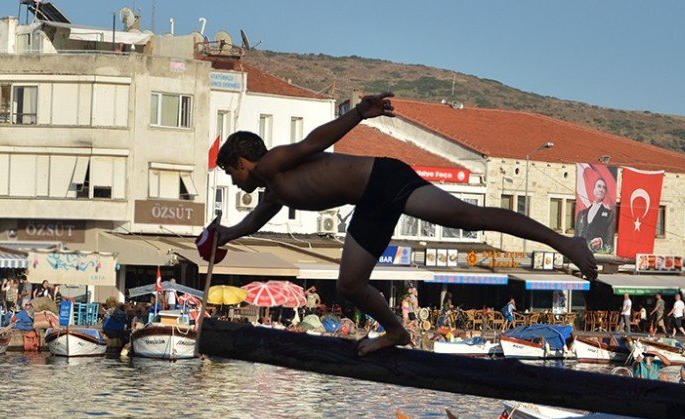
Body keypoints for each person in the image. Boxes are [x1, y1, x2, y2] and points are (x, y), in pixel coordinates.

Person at [208, 91, 597, 355]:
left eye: (230, 174)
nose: (232, 181)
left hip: (385, 180)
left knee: (469, 216)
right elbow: (258, 218)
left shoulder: (274, 164)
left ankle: (566, 244)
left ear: (242, 163)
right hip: (370, 201)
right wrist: (227, 234)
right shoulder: (275, 189)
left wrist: (359, 113)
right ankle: (396, 331)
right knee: (350, 285)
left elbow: (314, 141)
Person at [574, 177, 616, 252]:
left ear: (605, 192)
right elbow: (577, 234)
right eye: (599, 186)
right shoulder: (581, 214)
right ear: (593, 190)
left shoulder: (610, 215)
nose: (601, 190)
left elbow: (610, 239)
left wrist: (601, 241)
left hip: (597, 255)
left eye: (604, 188)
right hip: (580, 252)